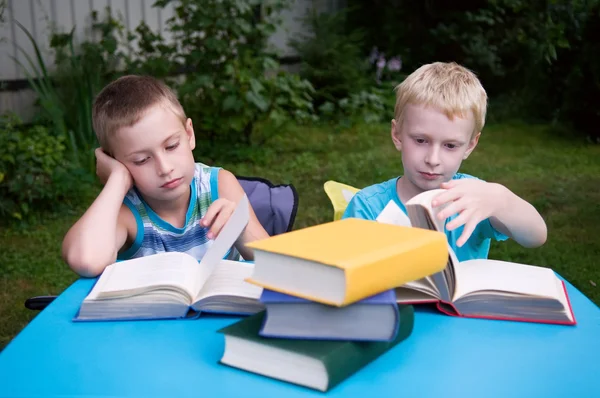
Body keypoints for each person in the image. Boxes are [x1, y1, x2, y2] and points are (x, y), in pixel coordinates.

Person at [62, 75, 269, 277]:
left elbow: (275, 266)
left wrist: (241, 229)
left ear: (189, 135)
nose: (164, 168)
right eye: (142, 160)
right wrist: (117, 179)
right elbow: (86, 260)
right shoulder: (128, 212)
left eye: (171, 146)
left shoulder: (219, 185)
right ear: (115, 161)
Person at [342, 62, 547, 261]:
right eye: (421, 140)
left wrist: (500, 199)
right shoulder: (367, 206)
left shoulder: (474, 199)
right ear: (397, 135)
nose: (432, 159)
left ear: (469, 146)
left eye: (450, 146)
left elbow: (535, 237)